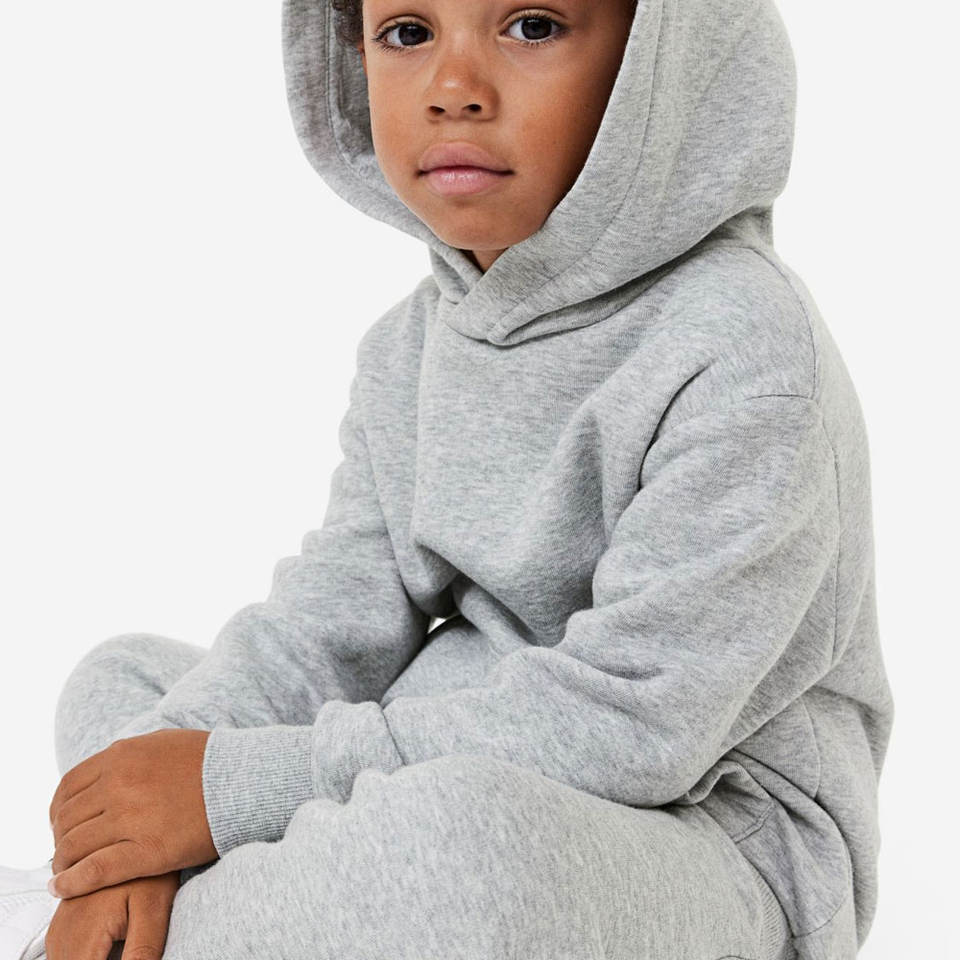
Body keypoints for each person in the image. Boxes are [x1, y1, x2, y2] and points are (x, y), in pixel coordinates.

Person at [0, 0, 895, 958]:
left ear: (661, 56)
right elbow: (328, 625)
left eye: (532, 26)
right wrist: (156, 808)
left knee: (466, 849)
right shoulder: (409, 346)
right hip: (424, 760)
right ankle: (143, 896)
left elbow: (636, 725)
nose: (454, 90)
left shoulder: (747, 349)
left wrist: (227, 793)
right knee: (124, 682)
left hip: (700, 838)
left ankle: (88, 924)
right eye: (407, 33)